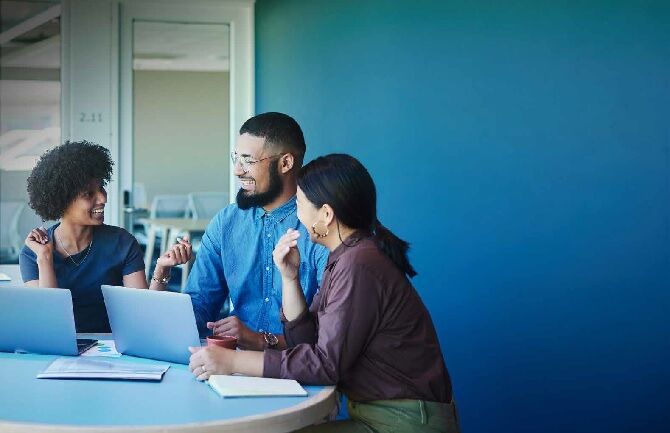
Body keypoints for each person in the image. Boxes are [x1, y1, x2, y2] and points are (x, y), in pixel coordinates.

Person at [188, 154, 459, 433]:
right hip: (382, 416)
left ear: (326, 215)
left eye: (301, 206)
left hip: (404, 422)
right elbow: (306, 342)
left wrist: (234, 361)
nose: (297, 216)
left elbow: (325, 365)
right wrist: (290, 278)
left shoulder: (359, 264)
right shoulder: (346, 256)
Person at [180, 112, 329, 350]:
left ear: (285, 163)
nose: (237, 170)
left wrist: (260, 340)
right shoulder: (225, 223)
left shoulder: (322, 228)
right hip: (232, 365)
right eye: (236, 159)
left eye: (248, 161)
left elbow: (329, 334)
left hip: (301, 371)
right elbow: (200, 304)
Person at [20, 140, 191, 333]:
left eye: (101, 188)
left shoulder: (122, 242)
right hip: (60, 350)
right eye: (88, 194)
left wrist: (161, 269)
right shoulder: (33, 252)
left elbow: (143, 316)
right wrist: (45, 258)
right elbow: (48, 323)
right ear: (62, 200)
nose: (102, 198)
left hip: (113, 350)